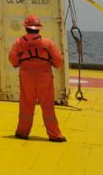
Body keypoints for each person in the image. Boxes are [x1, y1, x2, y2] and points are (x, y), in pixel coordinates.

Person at [8, 14, 66, 142]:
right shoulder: (47, 43)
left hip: (26, 75)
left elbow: (12, 59)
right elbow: (59, 61)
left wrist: (19, 64)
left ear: (26, 28)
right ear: (39, 28)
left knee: (26, 105)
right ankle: (55, 135)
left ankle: (22, 132)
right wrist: (52, 64)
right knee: (48, 105)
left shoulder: (19, 42)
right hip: (44, 75)